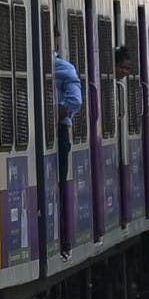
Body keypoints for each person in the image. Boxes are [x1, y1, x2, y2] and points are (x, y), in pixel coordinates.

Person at [53, 49, 82, 259]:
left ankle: (64, 239)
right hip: (51, 133)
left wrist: (50, 113)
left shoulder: (63, 67)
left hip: (59, 131)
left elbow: (75, 101)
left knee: (60, 183)